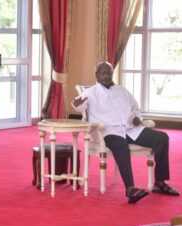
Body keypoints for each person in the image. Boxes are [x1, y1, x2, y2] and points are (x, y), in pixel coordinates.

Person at [72, 61, 179, 204]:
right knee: (121, 145)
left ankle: (159, 182)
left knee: (162, 138)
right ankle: (130, 189)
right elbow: (78, 105)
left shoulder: (122, 90)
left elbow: (136, 108)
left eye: (109, 72)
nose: (106, 76)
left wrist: (137, 118)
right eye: (103, 72)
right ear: (96, 75)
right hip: (108, 131)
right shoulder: (90, 93)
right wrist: (77, 104)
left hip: (131, 129)